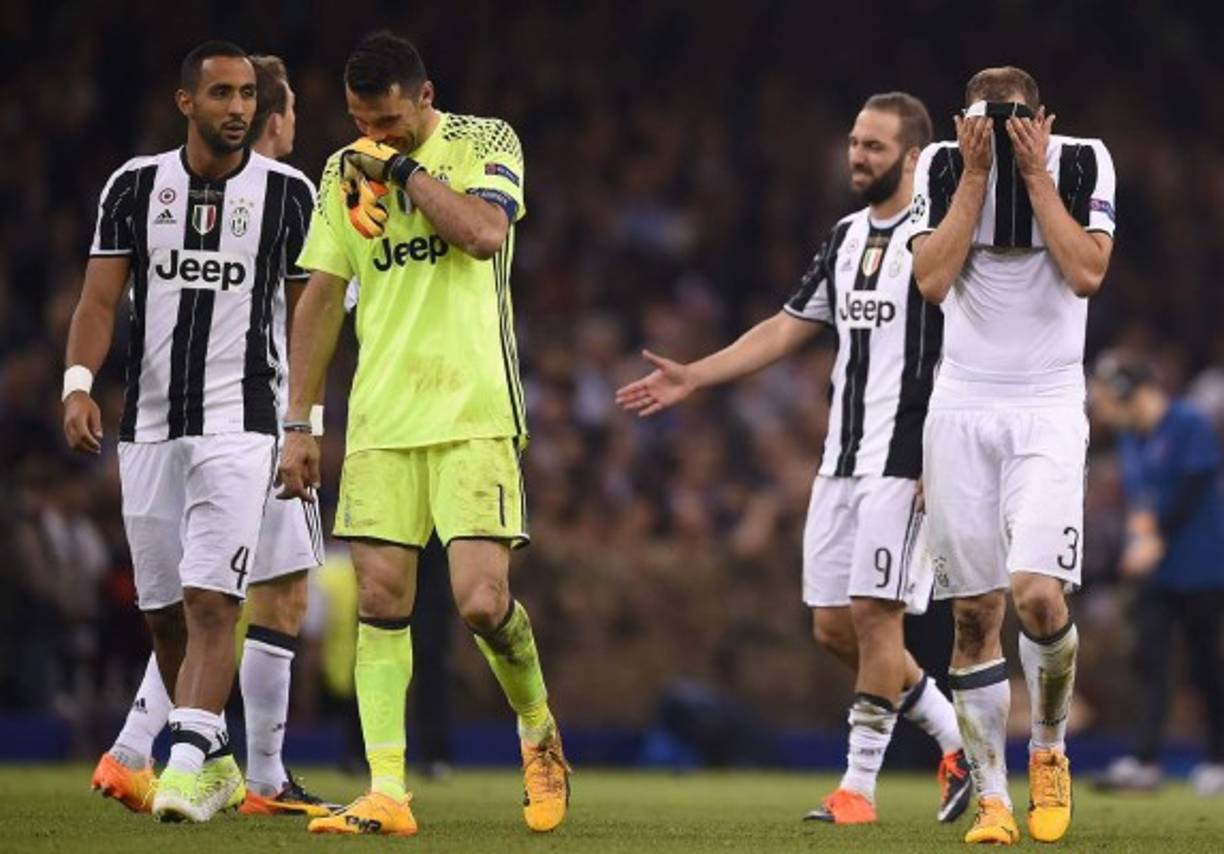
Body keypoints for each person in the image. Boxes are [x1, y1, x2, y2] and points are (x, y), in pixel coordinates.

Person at [616, 92, 970, 826]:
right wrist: (696, 375)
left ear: (911, 157)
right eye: (853, 141)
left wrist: (946, 447)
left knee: (877, 620)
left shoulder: (937, 240)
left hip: (903, 460)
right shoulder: (844, 236)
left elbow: (966, 349)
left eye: (873, 146)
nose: (856, 155)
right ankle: (954, 738)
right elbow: (785, 327)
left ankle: (857, 789)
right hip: (839, 459)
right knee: (834, 630)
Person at [277, 30, 569, 837]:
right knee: (379, 598)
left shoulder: (483, 141)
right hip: (379, 418)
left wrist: (405, 169)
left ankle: (538, 730)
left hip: (474, 410)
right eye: (361, 120)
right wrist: (301, 421)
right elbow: (318, 300)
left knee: (481, 604)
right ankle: (387, 790)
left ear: (426, 97)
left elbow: (483, 234)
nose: (375, 136)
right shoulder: (342, 172)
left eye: (391, 121)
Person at [64, 40, 316, 823]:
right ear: (187, 102)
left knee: (216, 600)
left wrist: (303, 422)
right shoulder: (134, 187)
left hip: (243, 427)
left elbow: (310, 318)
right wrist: (77, 386)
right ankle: (214, 762)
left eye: (247, 95)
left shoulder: (289, 194)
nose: (238, 108)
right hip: (146, 428)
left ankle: (180, 766)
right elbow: (100, 301)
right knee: (163, 611)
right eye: (222, 95)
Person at [910, 66, 1116, 844]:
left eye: (1016, 119)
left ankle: (1051, 749)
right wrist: (975, 174)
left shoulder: (1082, 160)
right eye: (986, 120)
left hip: (1047, 405)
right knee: (972, 616)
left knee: (1036, 595)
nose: (1000, 129)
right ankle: (993, 797)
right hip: (962, 405)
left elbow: (1087, 271)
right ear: (961, 121)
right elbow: (931, 281)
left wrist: (1030, 173)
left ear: (1045, 118)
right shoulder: (940, 165)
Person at [1089, 352, 1224, 796]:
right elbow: (1141, 498)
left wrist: (1156, 535)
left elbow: (1194, 486)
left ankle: (1217, 759)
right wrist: (1138, 535)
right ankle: (1144, 759)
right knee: (1149, 660)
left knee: (1208, 666)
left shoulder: (1188, 423)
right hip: (1158, 574)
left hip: (1203, 567)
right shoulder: (1133, 438)